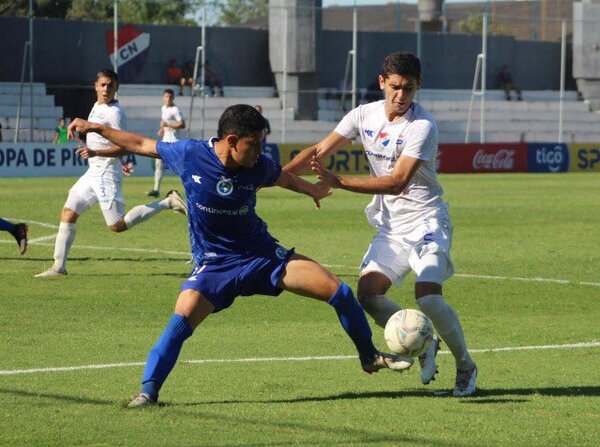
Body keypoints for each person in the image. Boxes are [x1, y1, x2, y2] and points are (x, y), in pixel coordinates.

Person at [67, 104, 414, 408]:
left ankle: (369, 357)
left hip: (262, 256)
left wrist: (313, 190)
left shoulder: (257, 165)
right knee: (180, 321)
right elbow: (141, 143)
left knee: (338, 292)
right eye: (254, 144)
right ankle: (147, 393)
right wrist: (96, 128)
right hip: (215, 264)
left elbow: (283, 178)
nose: (260, 151)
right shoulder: (190, 154)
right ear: (232, 140)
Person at [284, 52, 478, 397]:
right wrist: (277, 177)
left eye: (408, 89)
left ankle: (465, 365)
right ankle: (426, 342)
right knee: (368, 296)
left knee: (429, 298)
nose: (400, 96)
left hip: (426, 221)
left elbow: (397, 182)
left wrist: (339, 182)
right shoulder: (364, 115)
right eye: (395, 87)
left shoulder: (422, 126)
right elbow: (320, 149)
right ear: (382, 83)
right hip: (391, 228)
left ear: (418, 87)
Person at [34, 69, 188, 278]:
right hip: (93, 170)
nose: (106, 89)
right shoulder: (97, 106)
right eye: (103, 85)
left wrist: (99, 153)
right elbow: (113, 142)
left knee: (117, 225)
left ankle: (167, 202)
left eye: (110, 85)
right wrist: (120, 161)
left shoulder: (115, 113)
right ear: (95, 86)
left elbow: (126, 145)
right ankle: (58, 269)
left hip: (105, 171)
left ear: (117, 88)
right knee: (68, 212)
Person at [147, 89, 186, 197]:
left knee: (180, 167)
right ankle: (156, 190)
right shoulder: (163, 108)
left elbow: (182, 124)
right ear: (163, 97)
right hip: (165, 141)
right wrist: (163, 129)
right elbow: (165, 124)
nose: (168, 99)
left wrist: (168, 124)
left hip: (174, 142)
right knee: (158, 164)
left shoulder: (175, 109)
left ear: (173, 98)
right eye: (166, 96)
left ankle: (189, 188)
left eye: (170, 97)